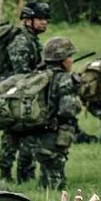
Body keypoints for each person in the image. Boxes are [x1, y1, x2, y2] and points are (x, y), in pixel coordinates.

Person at [20, 37, 82, 190]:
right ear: (61, 59)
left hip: (35, 131)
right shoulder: (65, 79)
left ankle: (42, 193)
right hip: (56, 133)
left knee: (44, 172)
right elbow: (67, 109)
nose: (71, 61)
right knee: (56, 177)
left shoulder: (38, 75)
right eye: (69, 57)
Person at [0, 1, 49, 185]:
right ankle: (6, 175)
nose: (44, 23)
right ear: (28, 20)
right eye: (40, 19)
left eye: (46, 19)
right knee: (11, 136)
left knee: (28, 134)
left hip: (23, 94)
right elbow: (22, 74)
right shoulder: (21, 40)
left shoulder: (32, 39)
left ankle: (24, 176)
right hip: (13, 95)